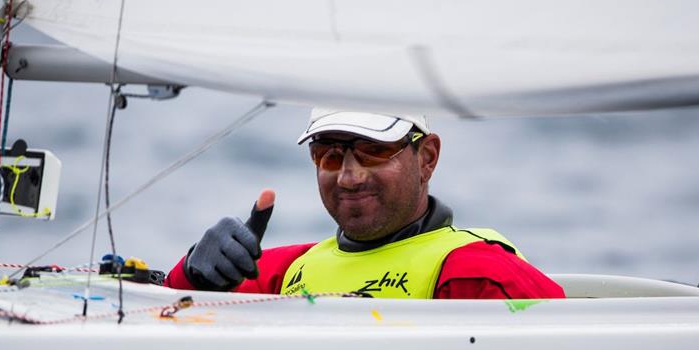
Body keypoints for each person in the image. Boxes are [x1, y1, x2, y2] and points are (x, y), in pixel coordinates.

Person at [164, 109, 565, 299]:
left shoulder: (477, 274)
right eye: (330, 155)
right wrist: (193, 274)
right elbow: (160, 316)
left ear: (426, 158)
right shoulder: (280, 271)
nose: (349, 176)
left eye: (374, 151)